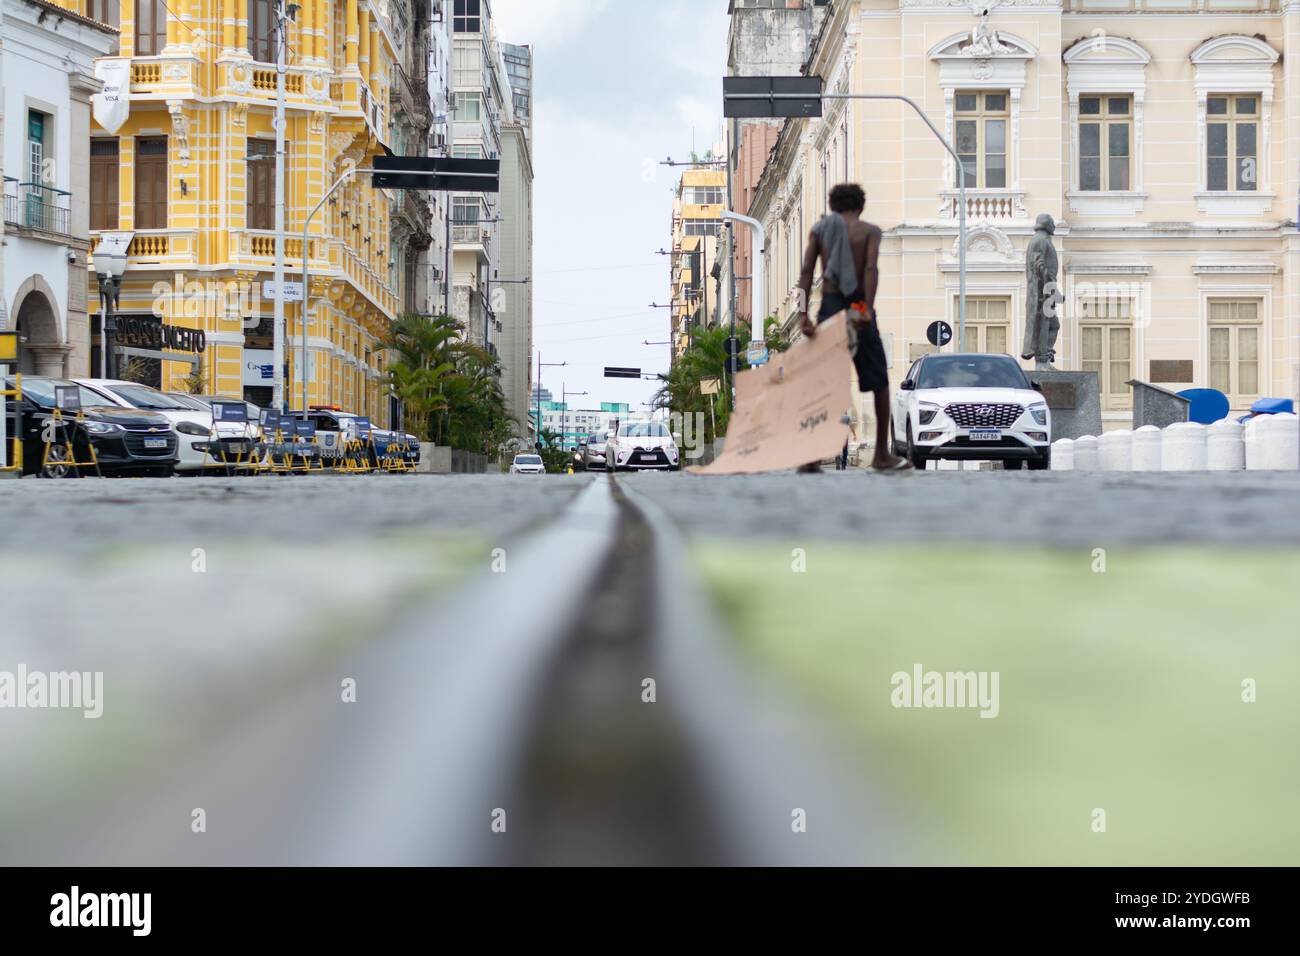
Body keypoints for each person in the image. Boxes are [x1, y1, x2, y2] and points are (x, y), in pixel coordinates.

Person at [796, 183, 910, 472]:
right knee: (879, 380)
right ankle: (882, 454)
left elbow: (807, 272)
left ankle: (810, 457)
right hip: (858, 304)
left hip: (831, 306)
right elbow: (871, 269)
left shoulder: (821, 230)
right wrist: (866, 309)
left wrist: (802, 315)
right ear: (861, 206)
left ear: (833, 206)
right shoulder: (869, 231)